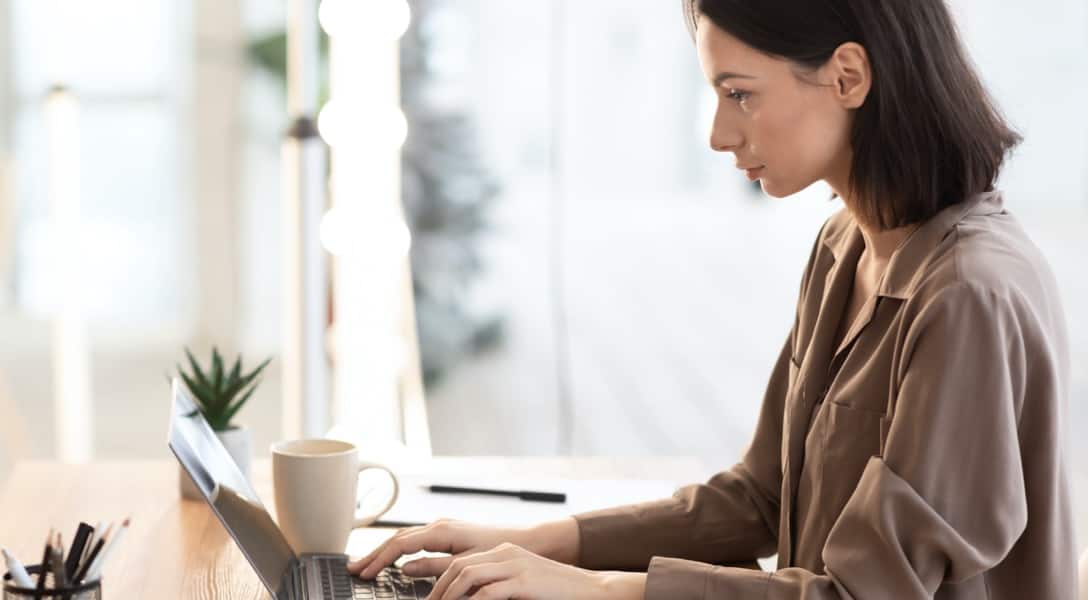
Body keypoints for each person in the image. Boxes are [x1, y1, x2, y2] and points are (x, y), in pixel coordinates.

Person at [348, 0, 1076, 598]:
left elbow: (860, 595)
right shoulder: (844, 246)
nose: (719, 133)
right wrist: (540, 545)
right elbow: (760, 499)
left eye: (740, 94)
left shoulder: (968, 294)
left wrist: (596, 588)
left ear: (848, 75)